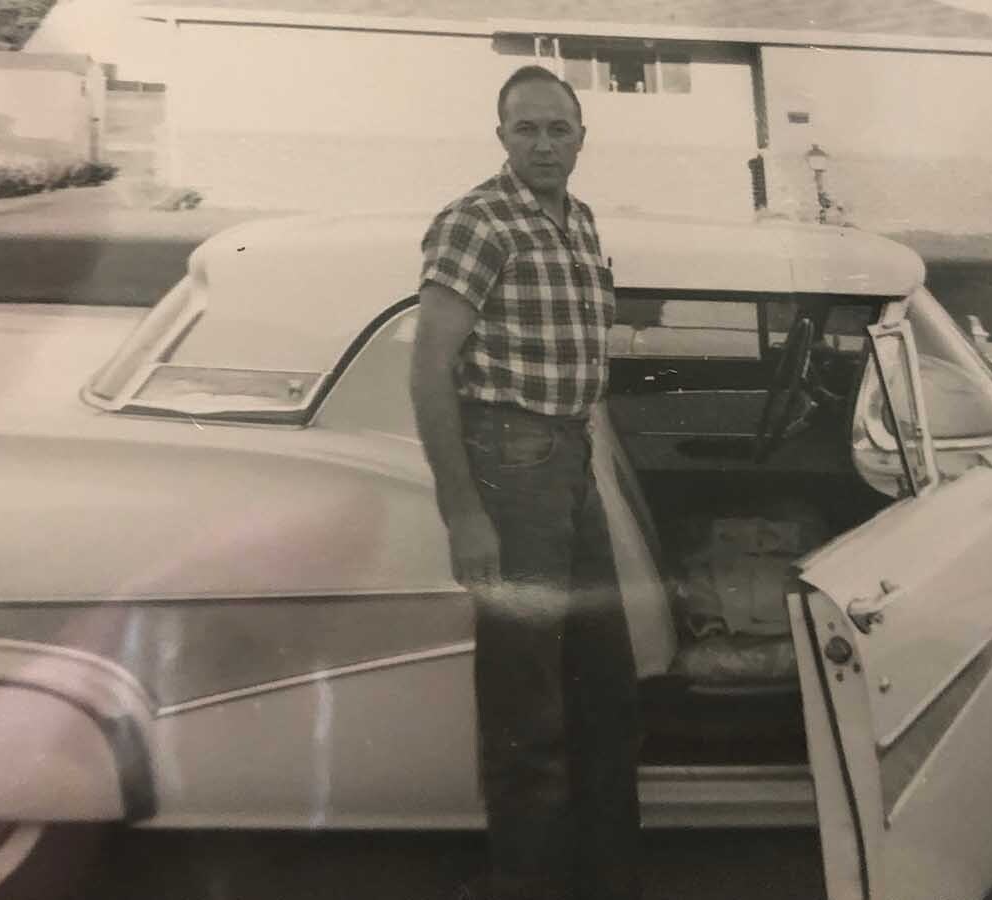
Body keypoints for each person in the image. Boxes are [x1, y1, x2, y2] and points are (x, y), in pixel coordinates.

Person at [409, 65, 641, 900]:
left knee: (602, 683)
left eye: (559, 129)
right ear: (501, 137)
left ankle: (608, 879)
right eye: (526, 130)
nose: (544, 144)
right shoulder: (477, 222)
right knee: (526, 700)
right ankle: (527, 884)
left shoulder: (577, 221)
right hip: (509, 469)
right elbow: (431, 369)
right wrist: (464, 512)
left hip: (569, 463)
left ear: (582, 136)